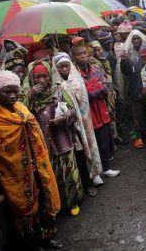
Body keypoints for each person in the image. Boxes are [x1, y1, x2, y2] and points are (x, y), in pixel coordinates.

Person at [0, 70, 61, 250]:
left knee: (43, 202)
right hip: (13, 172)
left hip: (36, 165)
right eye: (7, 92)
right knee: (24, 210)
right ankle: (32, 243)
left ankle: (46, 237)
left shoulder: (21, 108)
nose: (13, 95)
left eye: (15, 91)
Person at [22, 61, 84, 216]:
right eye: (37, 77)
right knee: (52, 176)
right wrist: (30, 96)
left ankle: (72, 202)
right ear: (32, 78)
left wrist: (63, 119)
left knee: (68, 172)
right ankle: (56, 205)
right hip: (43, 145)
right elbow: (20, 117)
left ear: (50, 75)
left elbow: (73, 112)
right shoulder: (28, 95)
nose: (41, 80)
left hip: (62, 139)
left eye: (44, 76)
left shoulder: (58, 89)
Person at [52, 52, 104, 193]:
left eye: (67, 66)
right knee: (77, 155)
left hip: (84, 121)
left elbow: (83, 100)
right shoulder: (55, 85)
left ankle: (92, 177)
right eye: (60, 67)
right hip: (68, 127)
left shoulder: (77, 80)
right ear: (55, 68)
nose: (64, 69)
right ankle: (83, 184)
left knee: (87, 149)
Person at [72, 45, 120, 178]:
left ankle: (105, 168)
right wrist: (94, 89)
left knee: (103, 140)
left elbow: (105, 87)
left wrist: (92, 90)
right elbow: (80, 94)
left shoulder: (96, 69)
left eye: (85, 54)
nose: (83, 56)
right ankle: (95, 171)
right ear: (74, 57)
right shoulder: (73, 74)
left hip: (101, 110)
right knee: (91, 143)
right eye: (79, 54)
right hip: (87, 114)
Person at [120, 30, 146, 149]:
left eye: (138, 38)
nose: (136, 40)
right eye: (134, 39)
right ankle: (138, 135)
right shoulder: (128, 53)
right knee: (136, 111)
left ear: (142, 39)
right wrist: (123, 61)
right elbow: (126, 71)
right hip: (134, 86)